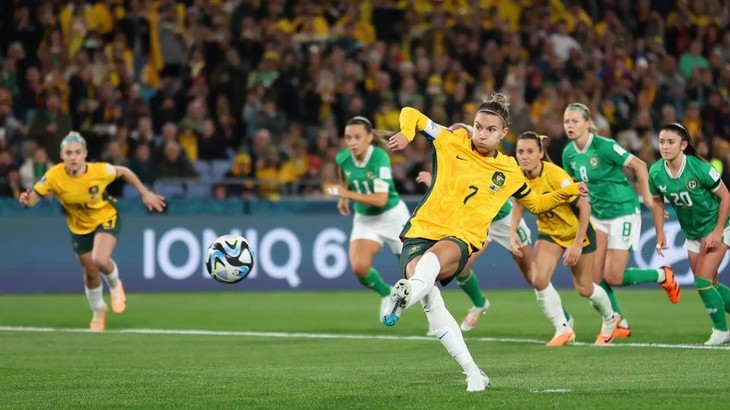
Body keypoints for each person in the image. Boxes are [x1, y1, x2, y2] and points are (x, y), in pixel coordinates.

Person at [382, 93, 587, 392]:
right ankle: (473, 372)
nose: (481, 133)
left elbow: (538, 204)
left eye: (490, 130)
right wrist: (407, 131)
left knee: (430, 264)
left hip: (461, 237)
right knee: (430, 299)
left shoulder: (509, 170)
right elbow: (410, 111)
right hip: (421, 229)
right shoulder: (452, 140)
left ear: (504, 133)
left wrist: (567, 193)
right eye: (478, 126)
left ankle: (405, 294)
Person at [18, 132, 166, 331]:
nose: (73, 157)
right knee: (89, 270)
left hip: (105, 217)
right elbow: (33, 199)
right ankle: (98, 311)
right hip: (78, 226)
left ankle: (115, 285)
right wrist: (26, 201)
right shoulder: (54, 175)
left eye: (77, 152)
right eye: (69, 153)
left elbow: (124, 172)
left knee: (100, 260)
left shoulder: (99, 170)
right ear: (62, 155)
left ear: (85, 154)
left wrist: (145, 193)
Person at [562, 103, 681, 337]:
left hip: (624, 211)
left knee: (613, 276)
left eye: (575, 121)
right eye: (566, 121)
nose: (570, 126)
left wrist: (647, 196)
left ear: (588, 123)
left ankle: (662, 274)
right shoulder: (568, 153)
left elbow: (639, 165)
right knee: (595, 278)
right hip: (598, 215)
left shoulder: (604, 146)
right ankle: (619, 322)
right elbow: (574, 187)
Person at [416, 123, 547, 335]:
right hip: (480, 224)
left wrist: (513, 231)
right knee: (461, 267)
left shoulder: (489, 159)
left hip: (505, 220)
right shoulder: (459, 160)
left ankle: (562, 321)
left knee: (534, 277)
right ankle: (479, 303)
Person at [514, 131, 620, 345]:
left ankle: (611, 319)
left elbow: (584, 207)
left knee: (585, 289)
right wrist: (511, 232)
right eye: (520, 151)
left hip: (577, 233)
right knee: (539, 279)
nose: (524, 156)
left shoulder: (556, 177)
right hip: (550, 232)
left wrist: (577, 244)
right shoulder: (518, 175)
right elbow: (518, 202)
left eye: (530, 151)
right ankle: (563, 328)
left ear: (541, 153)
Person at [648, 123, 730, 345]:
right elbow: (656, 201)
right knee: (710, 284)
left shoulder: (699, 168)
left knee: (701, 281)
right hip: (692, 233)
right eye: (661, 141)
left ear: (683, 145)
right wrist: (659, 232)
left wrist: (718, 231)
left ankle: (721, 331)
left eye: (670, 142)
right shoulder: (655, 172)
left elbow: (726, 197)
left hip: (716, 227)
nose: (664, 146)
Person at [325, 116, 410, 319]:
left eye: (357, 137)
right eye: (348, 138)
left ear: (369, 137)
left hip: (393, 217)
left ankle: (434, 317)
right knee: (359, 267)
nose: (352, 143)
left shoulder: (379, 157)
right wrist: (343, 200)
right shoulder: (343, 158)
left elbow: (381, 200)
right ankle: (386, 294)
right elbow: (344, 177)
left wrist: (346, 195)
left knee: (413, 272)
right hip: (366, 219)